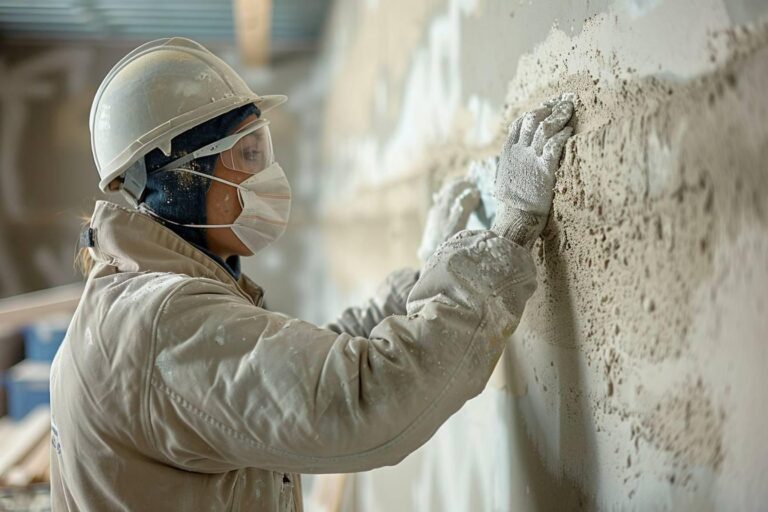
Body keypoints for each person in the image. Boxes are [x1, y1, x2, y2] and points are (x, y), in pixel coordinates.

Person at [50, 37, 573, 511]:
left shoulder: (138, 303)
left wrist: (424, 278)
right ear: (181, 179)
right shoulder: (165, 326)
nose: (268, 173)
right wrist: (508, 235)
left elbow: (302, 374)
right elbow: (364, 398)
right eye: (248, 153)